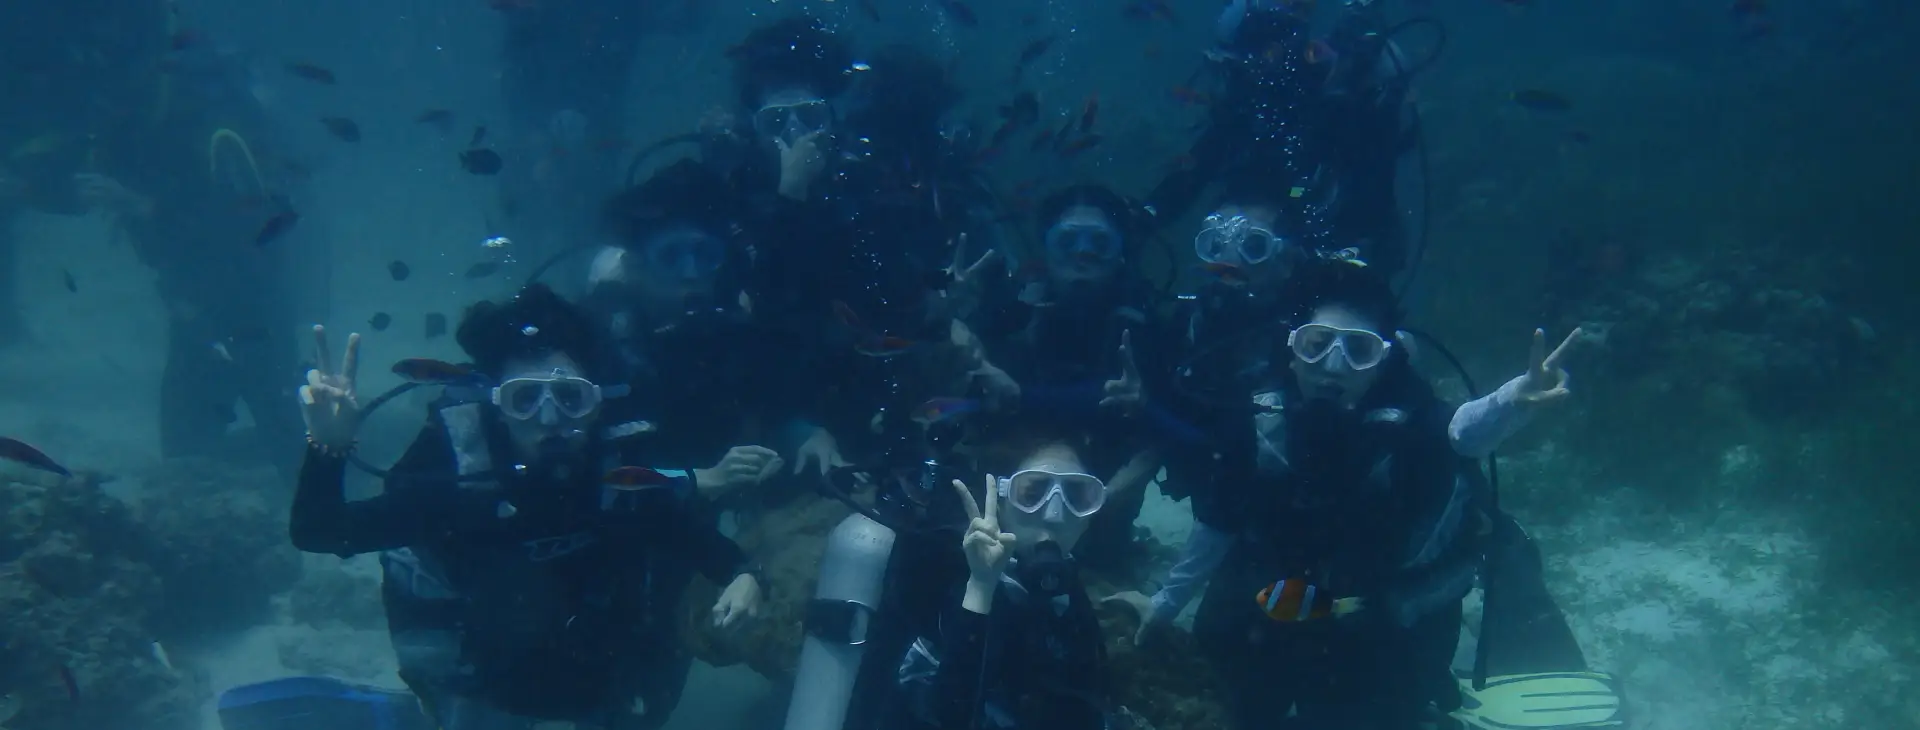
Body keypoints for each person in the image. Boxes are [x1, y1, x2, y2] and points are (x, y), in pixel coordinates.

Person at [287, 284, 763, 730]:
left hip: (591, 649)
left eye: (570, 397)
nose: (550, 419)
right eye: (525, 399)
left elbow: (682, 529)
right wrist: (327, 449)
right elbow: (321, 531)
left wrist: (743, 573)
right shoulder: (457, 482)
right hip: (478, 657)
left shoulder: (614, 468)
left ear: (596, 405)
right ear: (496, 406)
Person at [1106, 261, 1485, 730]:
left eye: (1358, 350)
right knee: (1225, 670)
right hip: (1278, 598)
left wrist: (1378, 607)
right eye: (1317, 344)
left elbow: (1449, 552)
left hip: (1386, 615)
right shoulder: (1258, 421)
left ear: (1386, 358)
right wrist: (1166, 603)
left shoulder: (1423, 433)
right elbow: (1218, 521)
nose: (1332, 365)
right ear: (1291, 351)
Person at [891, 437, 1115, 730]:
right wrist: (981, 586)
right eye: (1032, 493)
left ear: (1088, 519)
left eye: (1076, 496)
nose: (1054, 514)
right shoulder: (963, 575)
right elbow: (949, 714)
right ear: (1002, 503)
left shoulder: (1065, 584)